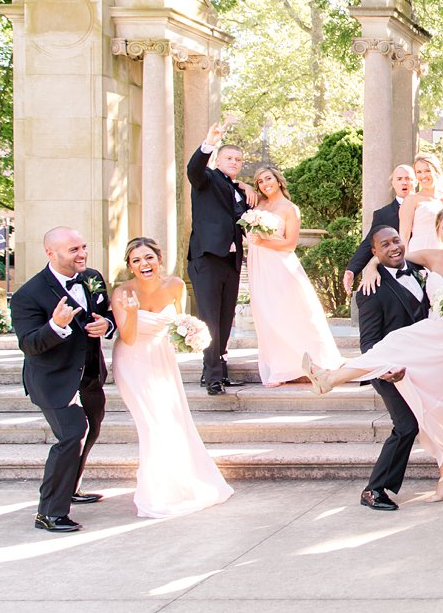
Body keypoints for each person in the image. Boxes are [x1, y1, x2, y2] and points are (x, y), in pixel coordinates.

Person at [304, 208, 443, 503]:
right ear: (437, 231)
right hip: (419, 345)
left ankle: (330, 377)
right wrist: (371, 265)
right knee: (418, 412)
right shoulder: (420, 261)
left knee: (423, 409)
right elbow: (370, 340)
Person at [109, 237, 234, 518]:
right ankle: (157, 492)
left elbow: (178, 322)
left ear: (159, 259)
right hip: (132, 360)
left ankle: (183, 482)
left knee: (173, 420)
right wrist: (130, 313)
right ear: (130, 266)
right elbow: (127, 338)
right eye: (137, 260)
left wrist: (192, 334)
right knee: (152, 424)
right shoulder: (122, 293)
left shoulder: (176, 285)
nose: (144, 264)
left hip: (162, 359)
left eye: (149, 258)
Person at [9, 227, 114, 533]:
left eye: (83, 247)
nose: (82, 254)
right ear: (51, 253)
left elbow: (106, 312)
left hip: (89, 373)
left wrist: (106, 325)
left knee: (91, 429)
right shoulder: (28, 295)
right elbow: (28, 344)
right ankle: (49, 512)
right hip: (52, 379)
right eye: (73, 250)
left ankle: (70, 487)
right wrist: (56, 325)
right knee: (72, 434)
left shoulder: (92, 277)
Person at [246, 165, 344, 386]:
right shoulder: (258, 205)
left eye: (268, 178)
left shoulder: (290, 208)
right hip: (258, 264)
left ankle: (307, 362)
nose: (264, 184)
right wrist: (243, 185)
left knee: (289, 312)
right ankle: (279, 366)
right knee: (265, 315)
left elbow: (290, 244)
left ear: (279, 180)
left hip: (280, 264)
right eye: (259, 181)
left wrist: (263, 241)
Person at [186, 123, 255, 395]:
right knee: (209, 319)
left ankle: (218, 371)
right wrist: (208, 144)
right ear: (217, 159)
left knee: (226, 317)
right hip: (207, 258)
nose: (234, 163)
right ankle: (212, 376)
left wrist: (244, 185)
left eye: (238, 160)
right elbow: (194, 170)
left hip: (231, 260)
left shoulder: (237, 188)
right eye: (229, 158)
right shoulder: (206, 179)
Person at [342, 163, 416, 296]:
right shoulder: (383, 214)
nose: (404, 182)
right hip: (397, 269)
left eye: (408, 178)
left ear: (415, 181)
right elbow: (369, 243)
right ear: (393, 183)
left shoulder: (427, 208)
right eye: (399, 179)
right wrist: (352, 270)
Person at [397, 152, 443, 253]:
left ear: (436, 171)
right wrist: (405, 265)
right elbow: (404, 236)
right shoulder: (411, 200)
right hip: (419, 253)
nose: (423, 176)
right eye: (419, 172)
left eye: (427, 171)